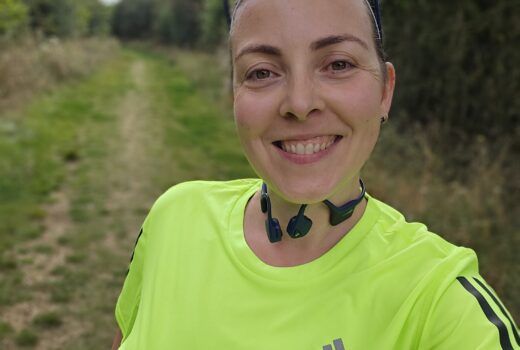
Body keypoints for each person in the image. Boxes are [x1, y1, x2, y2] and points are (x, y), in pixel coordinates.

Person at [112, 0, 519, 349]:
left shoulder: (439, 300)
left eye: (338, 64)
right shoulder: (173, 218)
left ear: (385, 92)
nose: (300, 103)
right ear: (234, 93)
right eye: (262, 72)